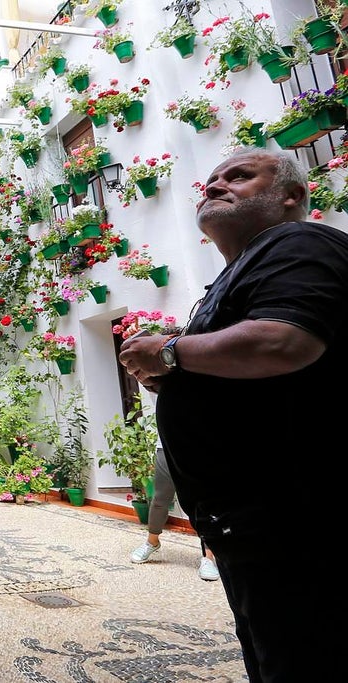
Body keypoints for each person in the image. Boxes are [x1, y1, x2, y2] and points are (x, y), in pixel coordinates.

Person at [118, 148, 346, 681]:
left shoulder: (298, 242)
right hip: (255, 525)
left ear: (291, 196)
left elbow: (283, 342)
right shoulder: (241, 271)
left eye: (239, 177)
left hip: (300, 523)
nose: (215, 185)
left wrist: (169, 352)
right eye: (212, 179)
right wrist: (174, 374)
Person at [128, 449, 219, 582]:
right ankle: (152, 542)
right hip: (166, 446)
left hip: (199, 444)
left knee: (204, 501)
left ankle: (209, 558)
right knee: (160, 499)